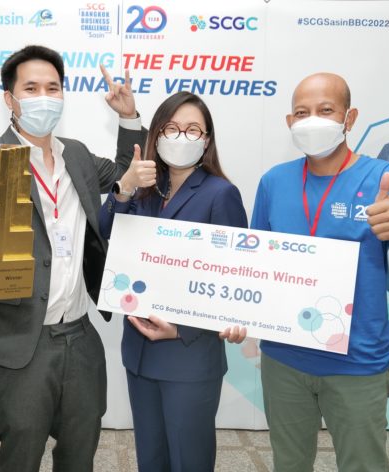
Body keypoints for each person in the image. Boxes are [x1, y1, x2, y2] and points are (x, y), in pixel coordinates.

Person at [0, 45, 146, 472]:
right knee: (22, 453)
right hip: (21, 340)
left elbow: (129, 171)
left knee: (80, 449)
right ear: (9, 98)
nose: (44, 97)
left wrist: (128, 118)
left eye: (53, 88)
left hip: (80, 336)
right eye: (31, 88)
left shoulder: (78, 157)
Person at [251, 72, 389, 471]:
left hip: (357, 361)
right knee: (289, 464)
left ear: (349, 118)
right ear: (289, 122)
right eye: (301, 112)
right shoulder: (274, 182)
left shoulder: (385, 179)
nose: (312, 120)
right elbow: (257, 266)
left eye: (325, 110)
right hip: (284, 359)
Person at [98, 91, 248, 471]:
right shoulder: (145, 187)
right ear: (157, 134)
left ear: (207, 140)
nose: (181, 137)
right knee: (151, 460)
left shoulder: (221, 194)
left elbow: (232, 280)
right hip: (139, 354)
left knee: (188, 461)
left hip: (188, 356)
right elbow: (105, 230)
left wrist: (182, 329)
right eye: (172, 128)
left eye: (192, 129)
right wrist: (124, 186)